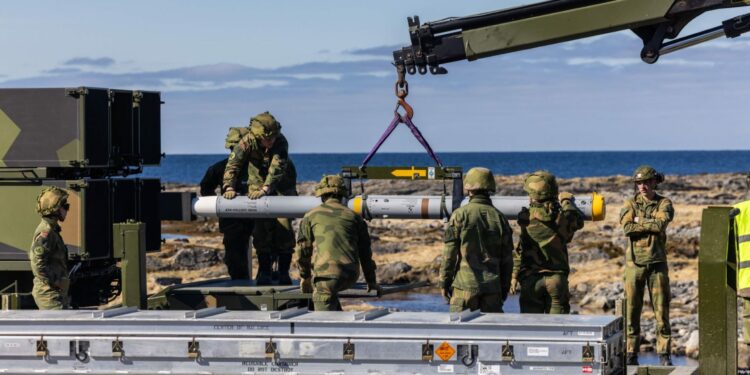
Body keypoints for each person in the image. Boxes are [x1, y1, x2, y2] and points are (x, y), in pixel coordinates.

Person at [222, 112, 296, 285]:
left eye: (272, 138)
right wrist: (229, 186)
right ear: (257, 136)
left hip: (281, 187)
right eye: (266, 139)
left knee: (284, 229)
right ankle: (265, 272)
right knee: (261, 230)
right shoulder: (247, 141)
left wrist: (267, 188)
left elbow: (278, 166)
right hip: (256, 185)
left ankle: (284, 272)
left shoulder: (280, 141)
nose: (270, 142)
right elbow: (234, 163)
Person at [296, 175, 380, 311]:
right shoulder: (355, 217)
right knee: (332, 295)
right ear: (342, 195)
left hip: (326, 277)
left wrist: (305, 277)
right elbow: (365, 253)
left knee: (324, 317)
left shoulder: (311, 215)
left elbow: (303, 250)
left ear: (321, 195)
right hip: (351, 274)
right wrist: (371, 281)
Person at [439, 167, 514, 313]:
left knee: (460, 334)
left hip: (464, 287)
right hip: (493, 289)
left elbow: (449, 254)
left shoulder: (460, 215)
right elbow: (507, 260)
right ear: (490, 187)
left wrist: (444, 282)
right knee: (491, 335)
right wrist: (503, 288)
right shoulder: (500, 218)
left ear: (468, 188)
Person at [620, 165, 674, 366]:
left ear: (654, 182)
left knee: (662, 311)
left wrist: (638, 220)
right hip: (634, 265)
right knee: (631, 312)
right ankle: (631, 354)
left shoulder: (664, 203)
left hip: (657, 264)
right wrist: (646, 222)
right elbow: (627, 228)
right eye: (638, 183)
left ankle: (664, 354)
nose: (642, 186)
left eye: (645, 182)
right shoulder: (629, 203)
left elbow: (661, 224)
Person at [511, 170, 583, 314]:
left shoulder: (525, 217)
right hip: (557, 279)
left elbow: (520, 249)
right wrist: (566, 201)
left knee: (531, 330)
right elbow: (576, 221)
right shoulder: (560, 216)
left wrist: (514, 276)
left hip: (531, 280)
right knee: (559, 330)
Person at [199, 127, 254, 280]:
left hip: (254, 218)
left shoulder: (257, 168)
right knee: (236, 259)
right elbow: (206, 188)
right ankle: (243, 284)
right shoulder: (219, 168)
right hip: (233, 220)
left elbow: (205, 188)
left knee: (266, 253)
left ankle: (258, 279)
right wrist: (219, 206)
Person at [29, 186, 71, 310]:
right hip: (48, 294)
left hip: (55, 292)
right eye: (66, 207)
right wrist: (55, 282)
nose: (67, 210)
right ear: (56, 209)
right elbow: (38, 264)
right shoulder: (46, 232)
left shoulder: (52, 230)